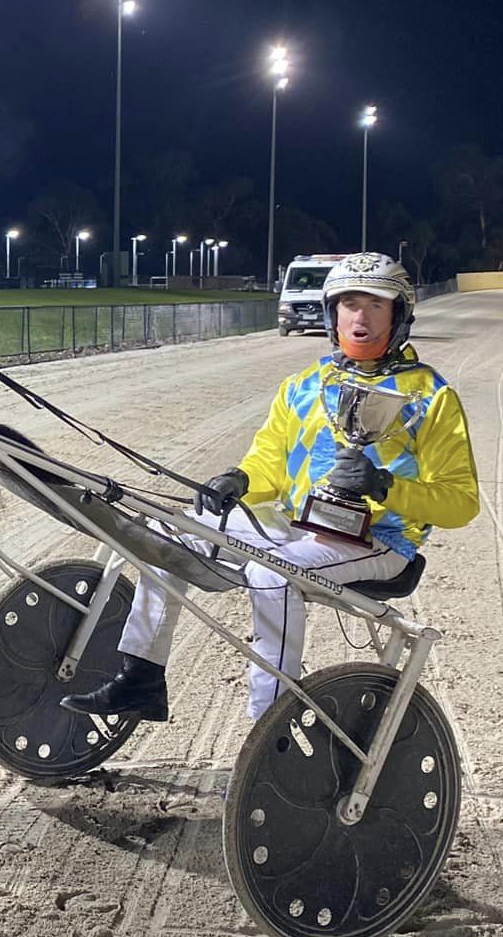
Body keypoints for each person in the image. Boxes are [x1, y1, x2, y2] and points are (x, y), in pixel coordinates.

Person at [63, 252, 479, 722]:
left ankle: (271, 718)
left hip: (379, 541)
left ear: (398, 313)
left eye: (375, 305)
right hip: (299, 526)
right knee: (171, 536)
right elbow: (269, 465)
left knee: (271, 572)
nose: (359, 318)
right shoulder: (304, 385)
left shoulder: (432, 397)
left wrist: (385, 487)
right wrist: (239, 480)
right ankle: (140, 678)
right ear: (331, 312)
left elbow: (461, 504)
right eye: (348, 304)